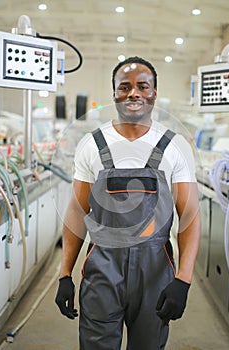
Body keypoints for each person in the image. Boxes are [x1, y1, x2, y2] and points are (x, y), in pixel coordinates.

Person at [55, 56, 201, 350]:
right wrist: (64, 274)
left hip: (155, 269)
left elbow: (189, 217)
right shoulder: (92, 144)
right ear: (114, 94)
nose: (133, 93)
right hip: (103, 268)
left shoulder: (175, 146)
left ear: (154, 93)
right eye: (124, 87)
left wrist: (183, 280)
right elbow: (76, 211)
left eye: (142, 86)